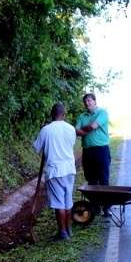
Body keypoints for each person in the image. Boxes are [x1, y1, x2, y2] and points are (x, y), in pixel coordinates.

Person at [33, 102, 77, 241]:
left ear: (52, 115)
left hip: (55, 171)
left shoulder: (46, 130)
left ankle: (62, 233)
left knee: (59, 203)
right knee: (67, 201)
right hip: (70, 169)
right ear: (64, 115)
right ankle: (68, 229)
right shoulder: (71, 129)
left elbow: (36, 148)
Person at [75, 93, 111, 216]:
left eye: (90, 101)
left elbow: (93, 126)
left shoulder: (102, 113)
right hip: (87, 152)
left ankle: (106, 208)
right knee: (91, 180)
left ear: (95, 101)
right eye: (85, 102)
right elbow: (77, 131)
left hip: (101, 150)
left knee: (103, 179)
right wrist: (88, 128)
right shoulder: (82, 116)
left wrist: (85, 129)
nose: (87, 103)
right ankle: (95, 207)